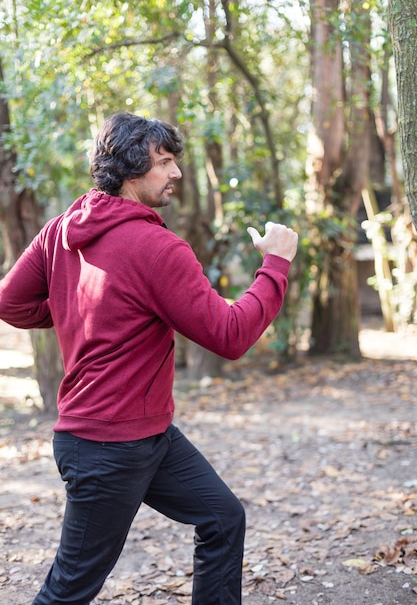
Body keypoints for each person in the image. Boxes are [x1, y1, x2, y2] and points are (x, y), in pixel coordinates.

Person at [0, 111, 298, 605]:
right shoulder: (157, 248)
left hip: (147, 434)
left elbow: (10, 300)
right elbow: (230, 335)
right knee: (68, 589)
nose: (176, 173)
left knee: (223, 518)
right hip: (106, 446)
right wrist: (276, 265)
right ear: (129, 170)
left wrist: (83, 311)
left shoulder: (61, 229)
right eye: (163, 163)